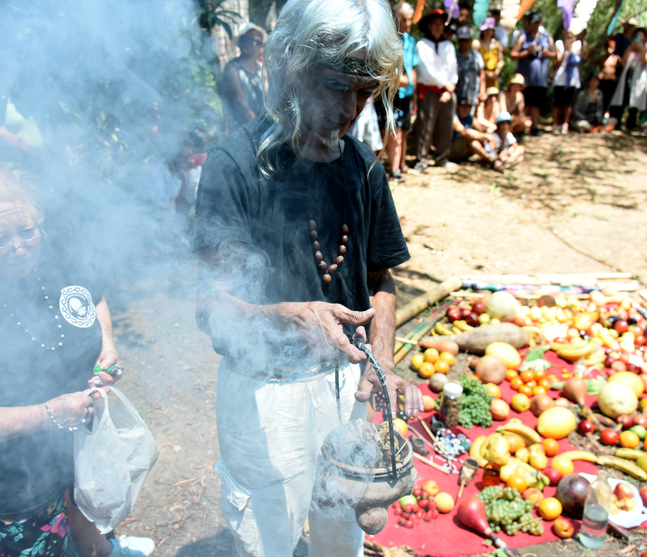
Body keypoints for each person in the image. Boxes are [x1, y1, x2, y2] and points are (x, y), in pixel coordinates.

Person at [193, 1, 422, 555]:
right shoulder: (234, 165)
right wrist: (289, 318)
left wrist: (382, 365)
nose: (347, 109)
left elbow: (379, 280)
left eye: (364, 93)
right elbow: (212, 304)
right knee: (266, 539)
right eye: (335, 85)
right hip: (264, 391)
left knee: (339, 538)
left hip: (344, 390)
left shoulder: (364, 168)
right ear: (290, 67)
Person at [0, 162, 152, 557]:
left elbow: (94, 296)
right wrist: (48, 413)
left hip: (83, 442)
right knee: (45, 546)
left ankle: (100, 547)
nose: (19, 246)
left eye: (26, 230)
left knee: (93, 516)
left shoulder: (55, 247)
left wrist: (107, 346)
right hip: (12, 476)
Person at [414, 9, 458, 172]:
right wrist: (444, 84)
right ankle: (422, 159)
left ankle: (442, 157)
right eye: (435, 24)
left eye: (441, 24)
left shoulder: (448, 45)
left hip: (448, 92)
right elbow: (425, 70)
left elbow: (453, 68)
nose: (438, 27)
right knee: (425, 125)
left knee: (446, 125)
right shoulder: (422, 45)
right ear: (429, 26)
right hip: (429, 91)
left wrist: (450, 87)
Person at [384, 2, 419, 182]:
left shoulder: (411, 41)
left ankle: (402, 164)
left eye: (410, 20)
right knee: (393, 130)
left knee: (403, 129)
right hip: (393, 92)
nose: (408, 23)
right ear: (396, 19)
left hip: (407, 91)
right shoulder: (390, 39)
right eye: (405, 20)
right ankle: (394, 166)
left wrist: (414, 93)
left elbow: (412, 69)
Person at [509, 11, 556, 136]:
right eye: (532, 23)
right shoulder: (523, 37)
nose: (534, 25)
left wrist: (546, 53)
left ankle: (534, 127)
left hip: (540, 80)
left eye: (536, 23)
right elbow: (513, 54)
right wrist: (527, 52)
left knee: (536, 104)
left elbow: (554, 54)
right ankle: (521, 127)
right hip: (525, 79)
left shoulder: (546, 37)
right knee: (523, 104)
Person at [219, 23, 267, 133]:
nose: (254, 44)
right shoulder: (232, 68)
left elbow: (268, 98)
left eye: (258, 42)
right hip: (242, 130)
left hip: (260, 127)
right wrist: (258, 127)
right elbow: (240, 103)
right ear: (241, 42)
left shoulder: (261, 69)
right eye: (250, 40)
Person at [610, 26, 647, 132]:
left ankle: (631, 123)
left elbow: (645, 61)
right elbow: (623, 63)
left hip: (638, 78)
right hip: (627, 76)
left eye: (641, 36)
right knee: (623, 97)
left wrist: (641, 49)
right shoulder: (629, 48)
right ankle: (617, 122)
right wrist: (630, 49)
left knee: (635, 100)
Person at [552, 29, 587, 134]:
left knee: (569, 101)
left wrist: (570, 48)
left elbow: (577, 60)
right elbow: (558, 60)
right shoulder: (559, 43)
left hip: (572, 77)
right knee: (557, 101)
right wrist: (564, 51)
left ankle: (565, 124)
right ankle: (554, 124)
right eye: (567, 32)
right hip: (560, 75)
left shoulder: (578, 45)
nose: (569, 35)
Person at [455, 26, 485, 111]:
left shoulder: (476, 56)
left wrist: (482, 91)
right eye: (461, 40)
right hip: (457, 95)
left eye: (466, 40)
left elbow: (482, 73)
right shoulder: (454, 56)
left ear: (470, 41)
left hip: (472, 95)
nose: (463, 43)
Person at [476, 18, 504, 94]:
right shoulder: (477, 44)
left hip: (494, 77)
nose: (488, 32)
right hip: (481, 77)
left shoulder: (497, 45)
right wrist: (484, 74)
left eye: (490, 30)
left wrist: (496, 73)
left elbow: (501, 61)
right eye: (486, 30)